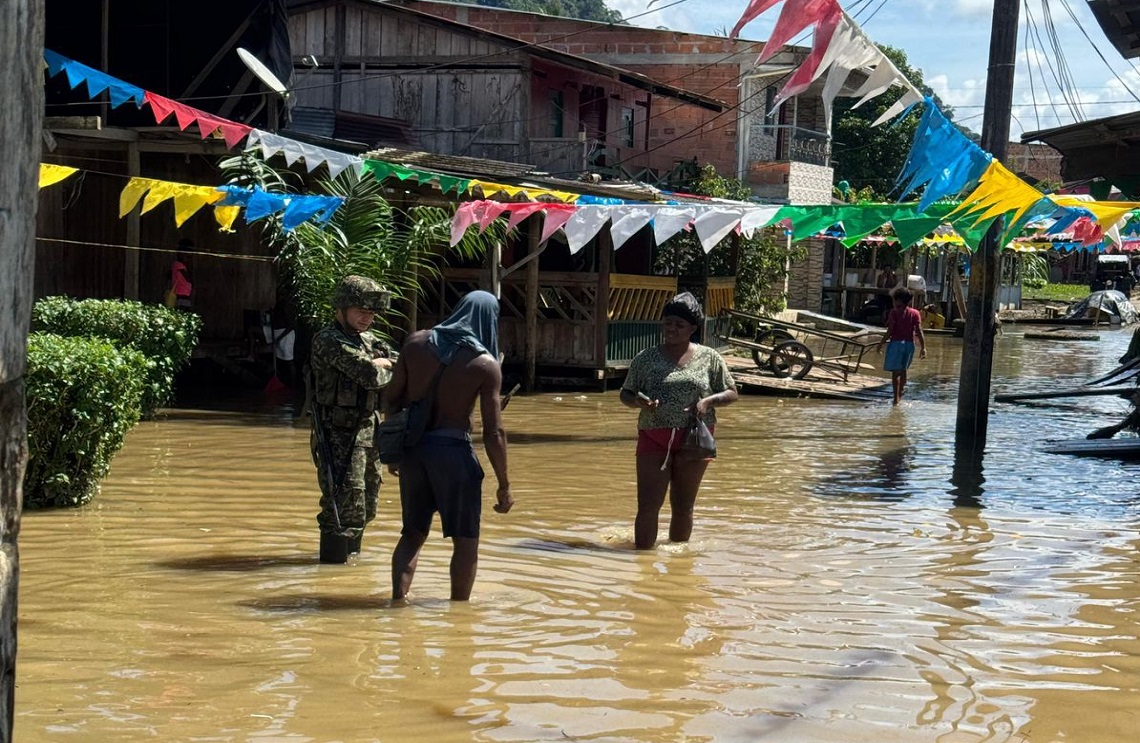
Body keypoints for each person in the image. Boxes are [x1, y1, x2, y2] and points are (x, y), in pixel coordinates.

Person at [382, 290, 512, 601]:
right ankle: (459, 617)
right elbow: (494, 432)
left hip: (414, 451)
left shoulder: (415, 343)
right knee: (465, 541)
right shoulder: (485, 364)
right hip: (454, 456)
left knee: (412, 534)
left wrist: (395, 449)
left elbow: (390, 398)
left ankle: (397, 602)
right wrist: (504, 484)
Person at [619, 292, 739, 550]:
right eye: (668, 323)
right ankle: (643, 561)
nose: (672, 329)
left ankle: (678, 563)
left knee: (684, 505)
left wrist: (707, 402)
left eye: (679, 325)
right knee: (648, 505)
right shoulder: (645, 358)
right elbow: (626, 393)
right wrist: (640, 402)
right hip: (654, 436)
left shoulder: (710, 358)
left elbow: (731, 392)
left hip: (694, 439)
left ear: (692, 329)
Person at [309, 275, 396, 564]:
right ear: (342, 308)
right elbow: (369, 376)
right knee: (341, 508)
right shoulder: (328, 340)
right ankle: (332, 572)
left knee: (366, 505)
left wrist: (383, 364)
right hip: (338, 436)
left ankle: (350, 568)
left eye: (370, 313)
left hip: (368, 433)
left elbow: (404, 363)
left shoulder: (370, 340)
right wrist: (379, 367)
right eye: (360, 311)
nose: (366, 318)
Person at [875, 286, 927, 406]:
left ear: (898, 300)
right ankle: (901, 394)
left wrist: (881, 343)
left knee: (895, 373)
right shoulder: (915, 313)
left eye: (894, 300)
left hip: (896, 344)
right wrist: (923, 347)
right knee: (903, 370)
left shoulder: (894, 313)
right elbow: (919, 331)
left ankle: (895, 399)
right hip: (909, 345)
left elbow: (890, 331)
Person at [170, 240, 194, 310]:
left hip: (184, 295)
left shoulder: (179, 265)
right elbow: (188, 278)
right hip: (181, 296)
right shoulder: (179, 265)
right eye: (188, 256)